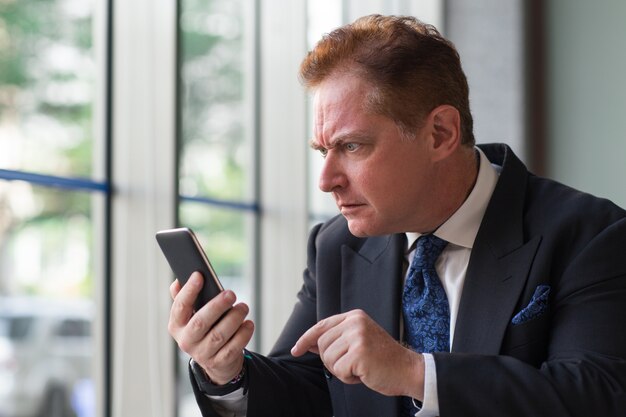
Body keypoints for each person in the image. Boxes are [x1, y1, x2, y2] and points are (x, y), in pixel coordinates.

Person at [167, 14, 626, 417]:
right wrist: (226, 372)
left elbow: (600, 397)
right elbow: (305, 391)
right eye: (323, 151)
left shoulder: (592, 234)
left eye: (351, 146)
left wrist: (413, 373)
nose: (326, 180)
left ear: (441, 133)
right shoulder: (336, 246)